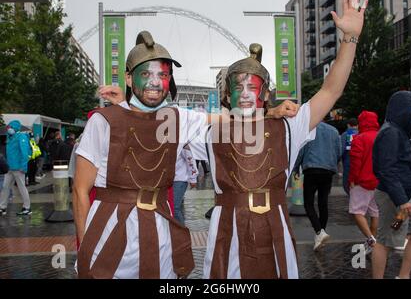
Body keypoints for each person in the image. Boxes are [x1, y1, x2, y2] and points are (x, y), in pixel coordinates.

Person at [75, 30, 301, 279]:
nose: (154, 82)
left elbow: (230, 119)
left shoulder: (175, 118)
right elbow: (80, 191)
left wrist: (270, 112)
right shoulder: (103, 121)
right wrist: (85, 249)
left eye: (162, 75)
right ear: (129, 79)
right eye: (146, 74)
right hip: (108, 236)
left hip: (159, 234)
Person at [192, 0, 366, 278]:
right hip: (226, 236)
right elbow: (162, 120)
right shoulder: (211, 131)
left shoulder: (288, 126)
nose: (246, 93)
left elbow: (331, 90)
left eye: (254, 87)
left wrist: (349, 39)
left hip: (275, 232)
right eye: (239, 87)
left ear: (266, 94)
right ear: (226, 94)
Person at [372, 91, 411, 279]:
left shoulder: (398, 131)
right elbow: (386, 169)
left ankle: (404, 276)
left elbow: (403, 162)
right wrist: (401, 200)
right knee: (385, 241)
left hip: (402, 197)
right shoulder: (391, 133)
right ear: (403, 109)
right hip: (393, 197)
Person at [294, 121, 341, 251]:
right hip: (328, 170)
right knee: (323, 203)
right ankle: (320, 234)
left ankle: (319, 232)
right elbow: (338, 151)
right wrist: (332, 164)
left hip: (312, 168)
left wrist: (296, 167)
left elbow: (301, 150)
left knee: (308, 203)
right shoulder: (334, 131)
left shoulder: (309, 129)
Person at [347, 110, 380, 255]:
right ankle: (372, 241)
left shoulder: (359, 138)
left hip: (362, 181)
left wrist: (352, 179)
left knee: (357, 212)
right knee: (375, 213)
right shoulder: (381, 137)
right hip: (378, 181)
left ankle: (371, 239)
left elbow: (355, 162)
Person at [0, 120, 32, 216]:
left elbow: (24, 153)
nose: (9, 129)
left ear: (15, 128)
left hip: (18, 168)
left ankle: (27, 207)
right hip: (10, 168)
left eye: (11, 127)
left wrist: (23, 166)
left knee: (22, 188)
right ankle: (2, 207)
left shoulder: (21, 136)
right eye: (9, 127)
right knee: (5, 187)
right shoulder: (10, 137)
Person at [173, 146, 198, 225]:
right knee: (170, 207)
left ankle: (182, 232)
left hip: (180, 180)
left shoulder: (183, 143)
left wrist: (193, 178)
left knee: (175, 207)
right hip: (169, 180)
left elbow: (190, 160)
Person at [341, 118, 358, 194]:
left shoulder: (345, 134)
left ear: (348, 125)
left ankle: (350, 193)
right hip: (359, 161)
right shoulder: (361, 133)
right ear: (357, 126)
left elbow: (342, 149)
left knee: (347, 180)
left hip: (348, 160)